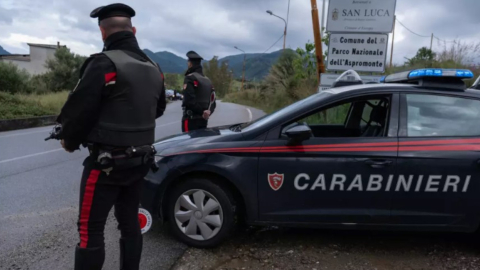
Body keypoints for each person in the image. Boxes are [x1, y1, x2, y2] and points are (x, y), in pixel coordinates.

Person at [56, 3, 166, 270]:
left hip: (105, 166)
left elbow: (79, 111)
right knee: (130, 224)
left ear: (103, 33)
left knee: (89, 230)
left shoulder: (104, 64)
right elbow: (159, 108)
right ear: (133, 30)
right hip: (139, 162)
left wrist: (68, 141)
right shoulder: (154, 68)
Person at [181, 51, 216, 132]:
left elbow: (189, 100)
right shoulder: (208, 80)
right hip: (203, 120)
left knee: (187, 143)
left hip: (190, 119)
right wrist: (207, 113)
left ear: (190, 64)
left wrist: (201, 112)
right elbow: (213, 100)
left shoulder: (190, 78)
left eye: (188, 62)